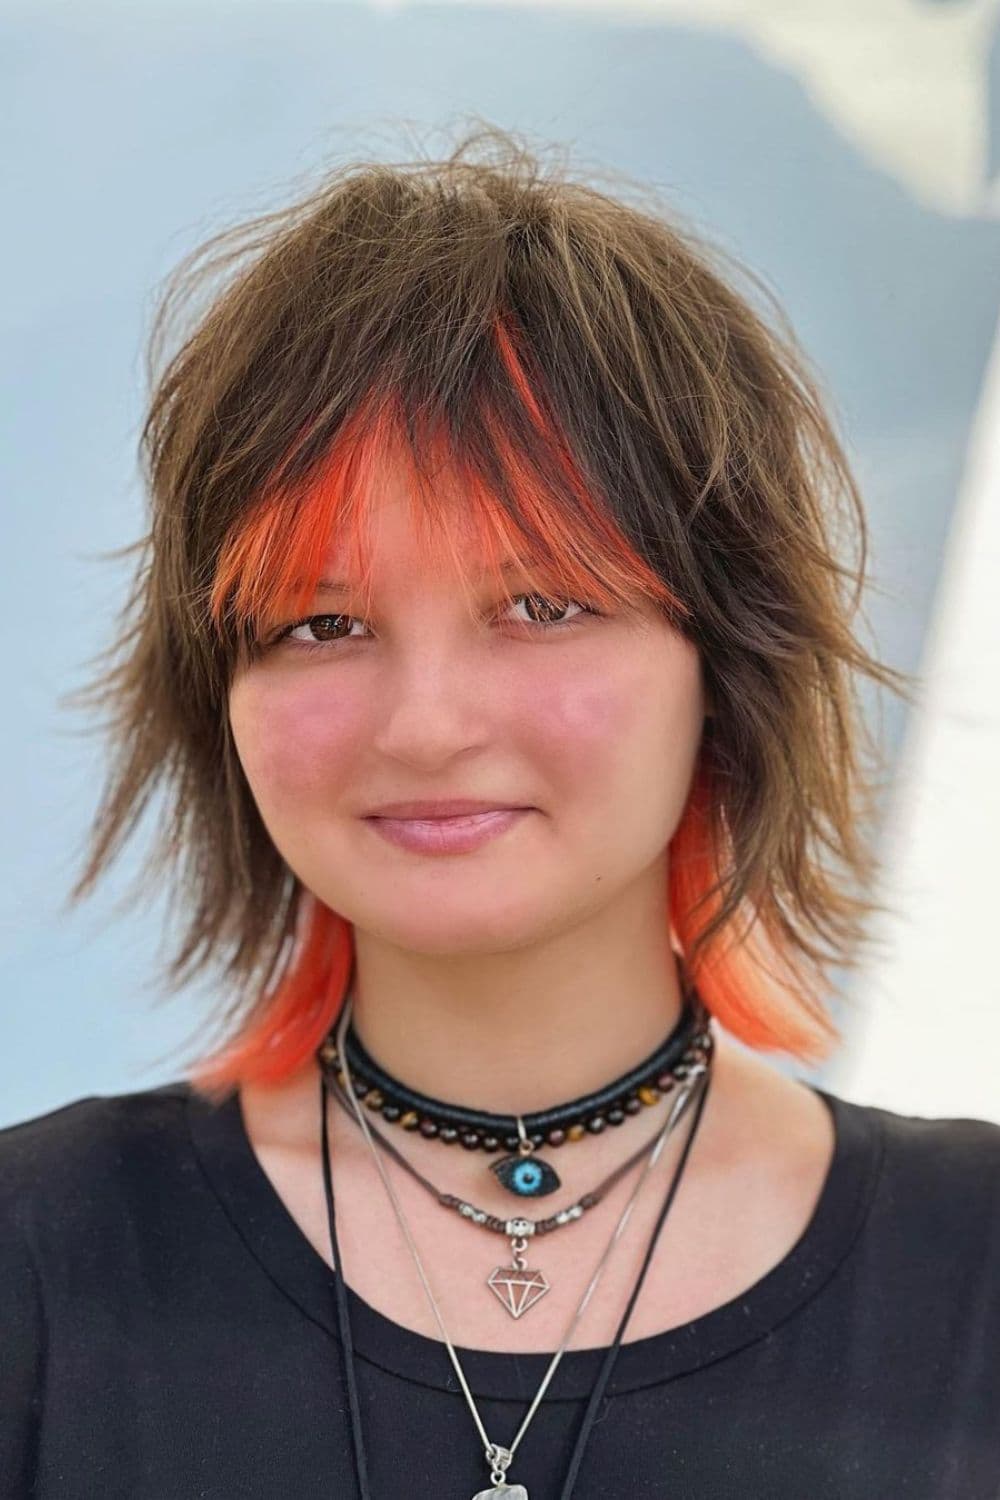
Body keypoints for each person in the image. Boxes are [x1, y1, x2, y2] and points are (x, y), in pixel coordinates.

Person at [2, 124, 998, 1500]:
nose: (424, 723)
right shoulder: (41, 1259)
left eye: (543, 606)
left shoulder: (971, 1274)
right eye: (322, 620)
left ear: (726, 659)